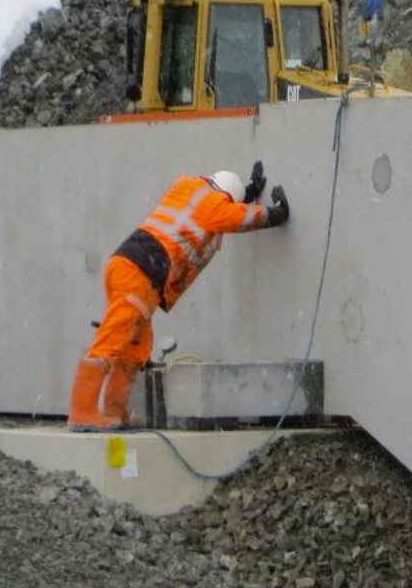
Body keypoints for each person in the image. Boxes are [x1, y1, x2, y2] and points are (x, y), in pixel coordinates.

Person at [67, 163, 289, 430]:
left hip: (136, 271)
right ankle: (82, 412)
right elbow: (233, 217)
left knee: (135, 347)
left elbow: (222, 209)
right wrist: (274, 215)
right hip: (140, 271)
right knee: (113, 338)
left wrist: (247, 193)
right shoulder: (213, 205)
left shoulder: (190, 188)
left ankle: (114, 413)